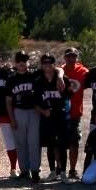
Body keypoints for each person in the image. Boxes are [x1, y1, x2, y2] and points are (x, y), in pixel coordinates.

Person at [35, 53, 72, 181]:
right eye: (44, 63)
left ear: (54, 64)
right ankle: (52, 171)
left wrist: (61, 77)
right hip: (47, 116)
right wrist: (43, 111)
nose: (47, 65)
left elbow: (69, 97)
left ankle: (63, 172)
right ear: (41, 65)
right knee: (50, 145)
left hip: (60, 115)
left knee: (62, 145)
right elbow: (34, 103)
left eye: (49, 63)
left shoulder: (62, 78)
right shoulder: (39, 81)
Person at [5, 51, 41, 180]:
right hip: (18, 111)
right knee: (20, 143)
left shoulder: (35, 75)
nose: (22, 63)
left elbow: (55, 68)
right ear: (15, 63)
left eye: (24, 60)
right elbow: (8, 101)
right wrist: (11, 118)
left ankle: (35, 171)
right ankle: (24, 170)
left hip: (33, 111)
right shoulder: (11, 79)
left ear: (28, 62)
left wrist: (59, 76)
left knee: (34, 142)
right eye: (19, 60)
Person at [60, 48, 89, 180]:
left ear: (77, 58)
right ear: (65, 57)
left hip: (75, 113)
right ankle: (60, 170)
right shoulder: (60, 71)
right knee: (59, 142)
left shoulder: (83, 72)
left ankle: (72, 170)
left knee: (74, 142)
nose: (71, 59)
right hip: (60, 112)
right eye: (68, 56)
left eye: (74, 56)